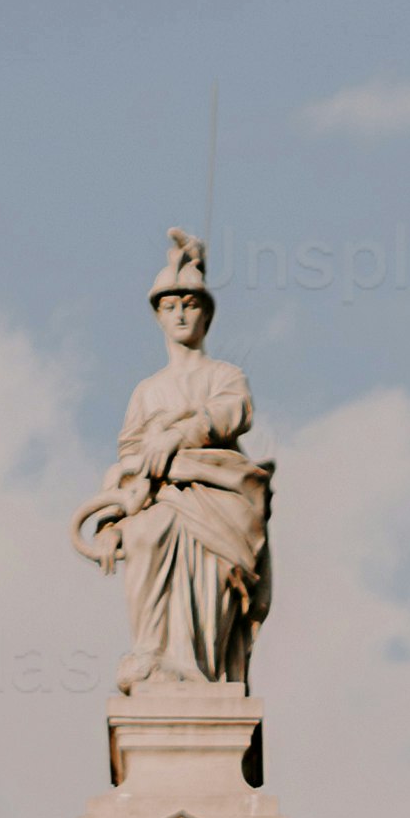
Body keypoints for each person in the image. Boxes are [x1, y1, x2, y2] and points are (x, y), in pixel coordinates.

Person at [70, 231, 274, 693]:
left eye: (189, 303)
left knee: (207, 574)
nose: (181, 313)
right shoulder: (147, 391)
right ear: (158, 316)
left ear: (206, 313)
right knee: (147, 533)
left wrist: (181, 433)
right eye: (170, 305)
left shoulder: (224, 375)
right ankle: (153, 653)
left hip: (214, 498)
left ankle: (199, 667)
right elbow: (127, 461)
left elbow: (235, 411)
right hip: (158, 498)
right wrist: (108, 523)